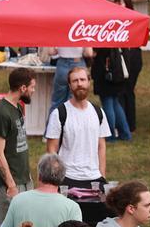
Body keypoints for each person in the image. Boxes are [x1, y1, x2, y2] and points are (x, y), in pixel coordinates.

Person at [45, 65, 107, 194]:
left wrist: (102, 175)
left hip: (95, 178)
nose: (79, 84)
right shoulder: (59, 113)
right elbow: (51, 149)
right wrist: (57, 179)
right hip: (67, 178)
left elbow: (101, 146)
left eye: (82, 80)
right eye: (75, 81)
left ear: (89, 82)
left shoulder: (98, 112)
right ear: (69, 85)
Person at [90, 30, 141, 143]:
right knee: (115, 103)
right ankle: (125, 132)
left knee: (108, 102)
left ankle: (110, 134)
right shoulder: (118, 31)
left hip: (106, 73)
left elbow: (95, 51)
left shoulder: (102, 33)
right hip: (118, 71)